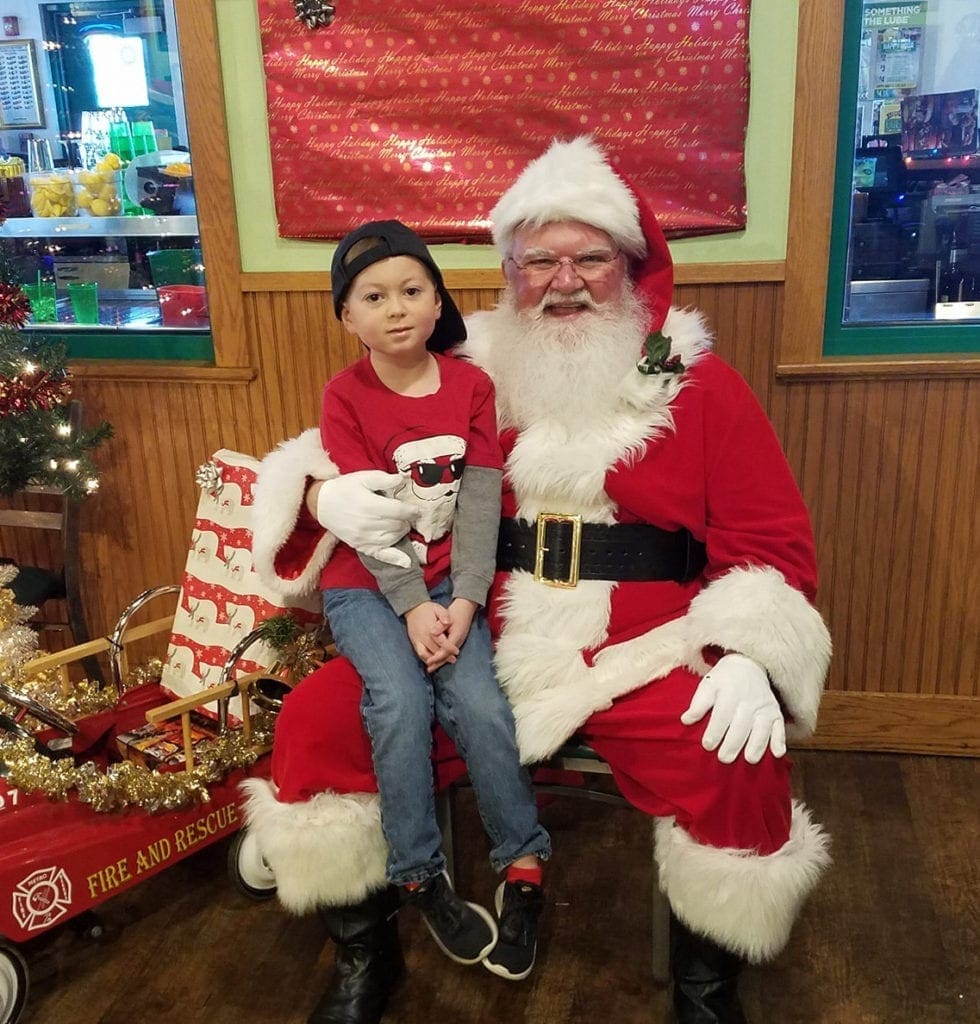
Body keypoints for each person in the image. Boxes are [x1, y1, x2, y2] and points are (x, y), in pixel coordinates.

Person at [244, 136, 832, 1024]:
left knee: (735, 757)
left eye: (590, 257)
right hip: (474, 630)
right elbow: (331, 447)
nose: (564, 280)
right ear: (507, 273)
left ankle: (708, 993)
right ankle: (368, 957)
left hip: (641, 650)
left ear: (631, 266)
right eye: (539, 261)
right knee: (316, 722)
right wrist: (322, 498)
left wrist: (751, 650)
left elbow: (772, 539)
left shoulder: (700, 387)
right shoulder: (460, 369)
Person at [316, 219, 551, 978]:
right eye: (374, 297)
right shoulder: (344, 397)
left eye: (412, 290)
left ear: (438, 298)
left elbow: (483, 504)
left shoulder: (472, 387)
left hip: (456, 588)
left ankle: (523, 864)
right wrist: (414, 605)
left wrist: (467, 602)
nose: (396, 308)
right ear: (348, 317)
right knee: (399, 702)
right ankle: (417, 871)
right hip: (367, 587)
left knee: (481, 704)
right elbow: (369, 523)